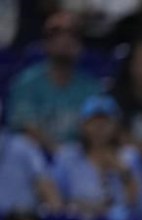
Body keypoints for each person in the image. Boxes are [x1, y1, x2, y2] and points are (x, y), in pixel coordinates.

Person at [6, 11, 102, 153]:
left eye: (72, 35)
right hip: (36, 157)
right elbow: (25, 127)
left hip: (78, 157)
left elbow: (99, 129)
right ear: (45, 43)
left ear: (80, 45)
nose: (64, 41)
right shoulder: (26, 82)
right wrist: (57, 150)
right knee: (18, 145)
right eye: (56, 36)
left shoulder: (91, 88)